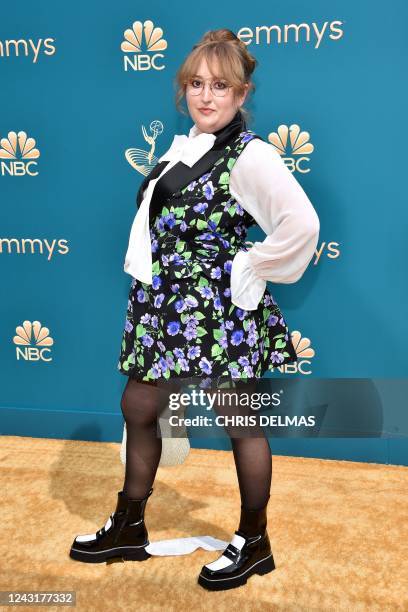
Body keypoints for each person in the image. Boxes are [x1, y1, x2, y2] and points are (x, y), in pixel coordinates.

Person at [69, 28, 320, 591]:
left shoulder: (250, 156)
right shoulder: (184, 147)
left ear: (242, 94)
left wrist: (250, 266)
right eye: (196, 85)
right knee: (139, 403)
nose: (206, 97)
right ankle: (129, 526)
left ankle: (254, 542)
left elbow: (302, 225)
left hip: (217, 311)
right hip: (162, 306)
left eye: (221, 86)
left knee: (241, 422)